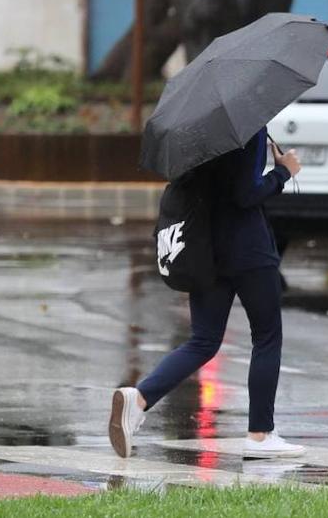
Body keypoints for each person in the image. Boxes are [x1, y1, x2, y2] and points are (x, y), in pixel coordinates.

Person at [108, 128, 303, 459]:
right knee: (267, 337)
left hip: (206, 249)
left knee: (203, 340)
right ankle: (260, 435)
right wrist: (283, 171)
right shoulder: (248, 129)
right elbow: (246, 194)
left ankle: (139, 400)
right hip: (249, 249)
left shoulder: (197, 132)